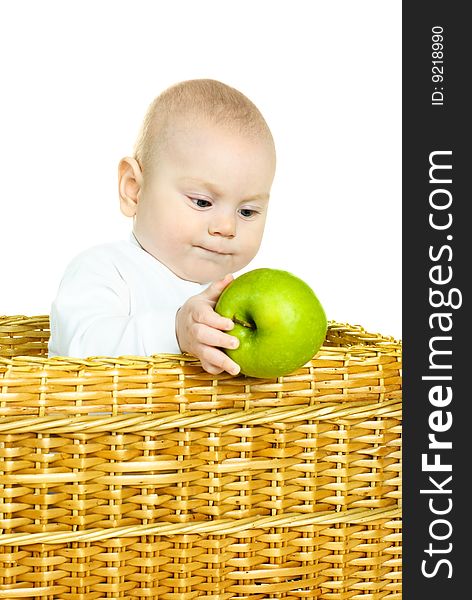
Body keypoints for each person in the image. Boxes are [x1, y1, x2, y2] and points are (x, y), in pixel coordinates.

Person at [48, 79, 276, 376]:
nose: (226, 226)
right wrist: (176, 330)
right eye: (202, 203)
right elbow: (79, 347)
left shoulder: (239, 301)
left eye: (247, 211)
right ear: (134, 190)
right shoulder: (105, 269)